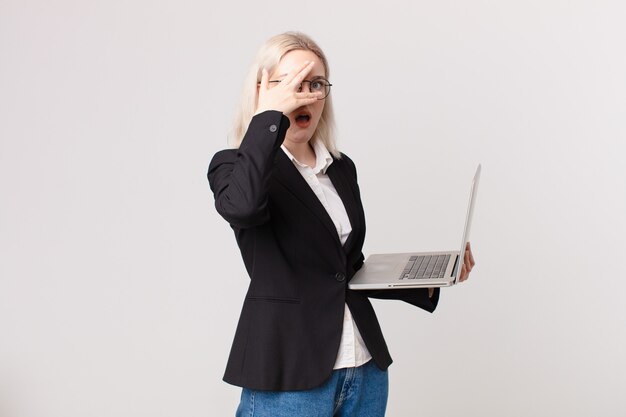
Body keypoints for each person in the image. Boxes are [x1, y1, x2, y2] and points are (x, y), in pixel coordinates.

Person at [207, 31, 475, 417]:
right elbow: (243, 208)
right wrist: (269, 118)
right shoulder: (234, 165)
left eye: (315, 83)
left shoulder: (340, 167)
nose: (306, 94)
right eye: (293, 83)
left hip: (364, 370)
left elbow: (344, 268)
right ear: (264, 90)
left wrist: (431, 278)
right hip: (291, 378)